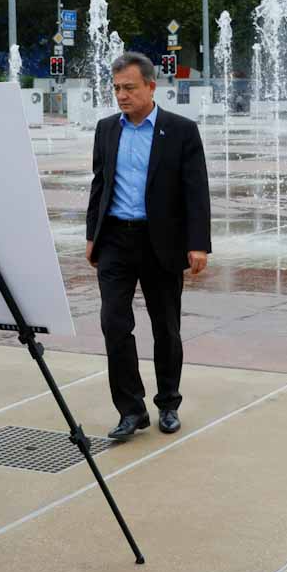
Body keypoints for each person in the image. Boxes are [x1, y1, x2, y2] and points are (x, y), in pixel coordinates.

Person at [86, 53, 211, 440]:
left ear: (151, 87)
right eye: (117, 88)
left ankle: (168, 403)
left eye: (130, 88)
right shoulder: (107, 129)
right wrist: (92, 235)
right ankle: (131, 410)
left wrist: (198, 244)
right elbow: (99, 184)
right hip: (115, 242)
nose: (121, 95)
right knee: (113, 324)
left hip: (162, 242)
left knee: (166, 327)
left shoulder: (181, 130)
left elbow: (196, 192)